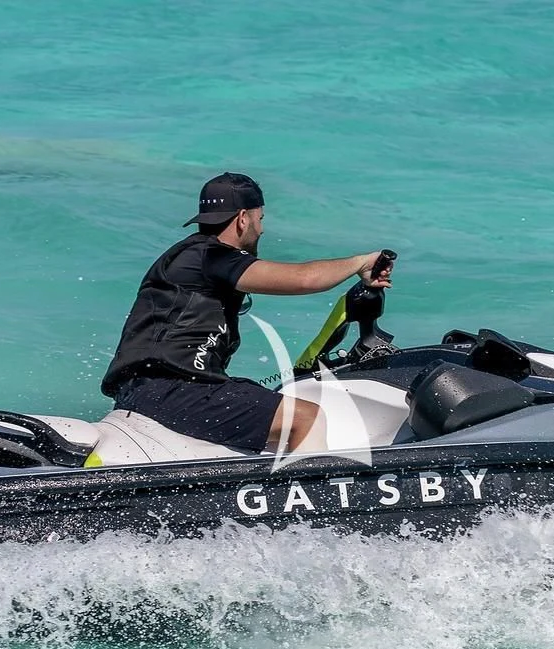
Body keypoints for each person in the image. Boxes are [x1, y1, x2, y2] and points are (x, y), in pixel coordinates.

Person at [100, 172, 393, 453]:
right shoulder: (209, 257)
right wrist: (361, 262)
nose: (262, 228)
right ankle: (312, 503)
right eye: (260, 219)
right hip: (169, 392)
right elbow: (305, 279)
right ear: (243, 219)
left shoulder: (193, 258)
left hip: (152, 392)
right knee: (305, 417)